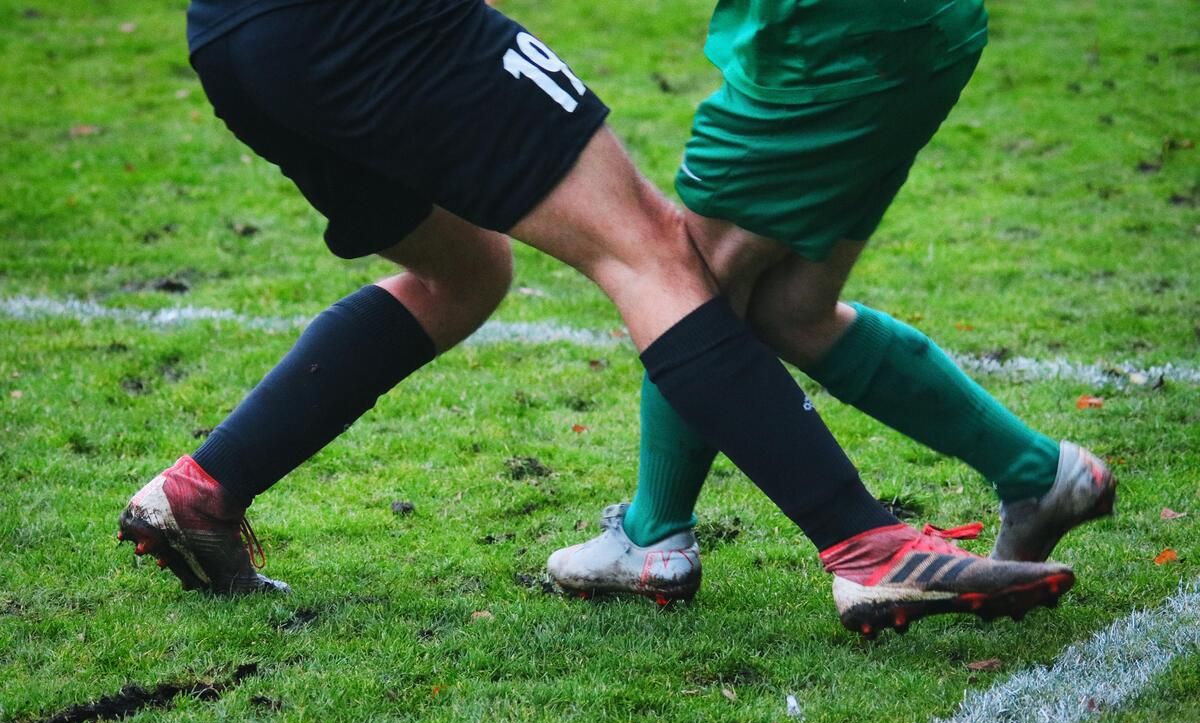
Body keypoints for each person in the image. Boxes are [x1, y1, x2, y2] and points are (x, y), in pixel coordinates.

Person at [119, 0, 1071, 637]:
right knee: (653, 248)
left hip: (238, 39)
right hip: (377, 22)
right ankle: (868, 547)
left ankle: (204, 490)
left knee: (465, 272)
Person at [547, 0, 1114, 635]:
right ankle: (1039, 473)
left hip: (827, 45)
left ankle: (652, 538)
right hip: (924, 32)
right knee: (793, 309)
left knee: (689, 283)